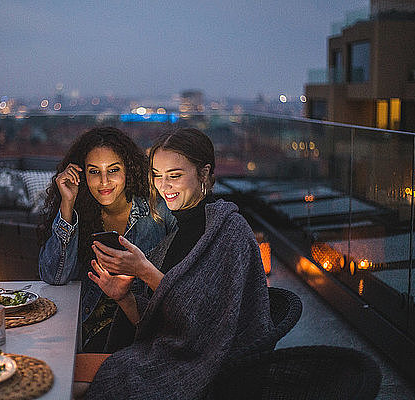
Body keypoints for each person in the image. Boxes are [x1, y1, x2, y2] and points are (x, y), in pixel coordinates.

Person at [84, 128, 273, 399]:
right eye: (157, 176)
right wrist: (124, 297)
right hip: (165, 358)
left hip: (209, 373)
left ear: (204, 174)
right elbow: (162, 326)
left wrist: (145, 271)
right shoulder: (173, 238)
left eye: (175, 176)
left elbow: (205, 329)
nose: (164, 186)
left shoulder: (230, 232)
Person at [38, 126, 175, 352]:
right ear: (82, 175)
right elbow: (55, 277)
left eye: (113, 170)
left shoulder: (157, 210)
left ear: (127, 170)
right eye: (94, 172)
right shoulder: (78, 212)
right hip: (88, 327)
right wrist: (67, 205)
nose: (104, 182)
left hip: (142, 326)